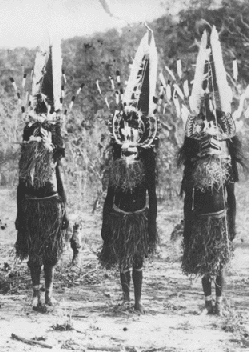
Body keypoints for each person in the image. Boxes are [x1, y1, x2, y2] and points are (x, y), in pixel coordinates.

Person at [178, 25, 246, 315]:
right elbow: (188, 193)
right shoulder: (194, 149)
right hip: (200, 212)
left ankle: (218, 300)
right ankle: (208, 300)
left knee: (219, 255)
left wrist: (231, 223)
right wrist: (189, 221)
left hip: (219, 212)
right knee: (204, 256)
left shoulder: (223, 137)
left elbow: (231, 195)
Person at [99, 29, 158, 313]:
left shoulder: (145, 164)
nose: (128, 150)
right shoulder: (116, 164)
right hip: (121, 217)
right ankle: (125, 299)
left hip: (138, 218)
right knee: (123, 258)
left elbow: (153, 195)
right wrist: (106, 225)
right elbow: (110, 194)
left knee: (137, 261)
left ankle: (137, 301)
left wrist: (151, 225)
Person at [14, 38, 69, 312]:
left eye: (47, 107)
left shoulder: (55, 136)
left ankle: (48, 293)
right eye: (39, 106)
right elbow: (22, 179)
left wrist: (65, 208)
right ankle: (35, 295)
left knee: (50, 252)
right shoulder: (27, 134)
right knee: (34, 252)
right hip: (32, 204)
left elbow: (58, 168)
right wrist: (19, 212)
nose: (43, 109)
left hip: (50, 202)